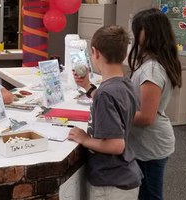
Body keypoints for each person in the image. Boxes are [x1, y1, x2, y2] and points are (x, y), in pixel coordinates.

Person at [68, 25, 143, 200]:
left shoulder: (105, 93)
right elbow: (113, 102)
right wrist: (88, 87)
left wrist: (85, 139)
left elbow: (116, 145)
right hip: (124, 177)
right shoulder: (125, 84)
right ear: (124, 54)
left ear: (94, 53)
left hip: (110, 183)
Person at [127, 8, 182, 200]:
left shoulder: (152, 69)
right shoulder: (153, 62)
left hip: (151, 145)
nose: (134, 35)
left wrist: (117, 114)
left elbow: (146, 116)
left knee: (150, 195)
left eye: (138, 30)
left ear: (149, 32)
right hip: (146, 143)